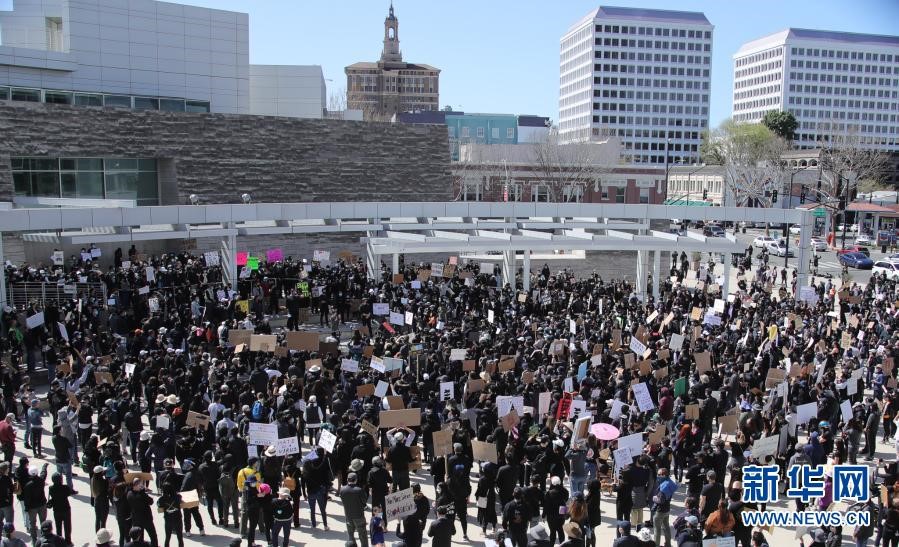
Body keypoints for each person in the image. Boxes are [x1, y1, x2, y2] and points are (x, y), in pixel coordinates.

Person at [338, 472, 369, 547]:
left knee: (350, 535)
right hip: (359, 516)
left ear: (347, 479)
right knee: (362, 535)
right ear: (356, 480)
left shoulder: (342, 489)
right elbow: (364, 501)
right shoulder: (359, 490)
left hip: (348, 516)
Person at [126, 478, 158, 547]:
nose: (142, 486)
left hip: (136, 519)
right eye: (141, 484)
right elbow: (151, 501)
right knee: (153, 536)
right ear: (137, 485)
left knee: (139, 538)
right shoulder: (141, 495)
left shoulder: (129, 493)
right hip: (146, 519)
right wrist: (143, 492)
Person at [45, 473, 73, 545]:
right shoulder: (65, 487)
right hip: (66, 508)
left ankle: (59, 542)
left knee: (58, 527)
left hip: (56, 509)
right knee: (67, 526)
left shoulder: (51, 488)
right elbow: (69, 493)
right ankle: (68, 541)